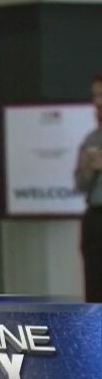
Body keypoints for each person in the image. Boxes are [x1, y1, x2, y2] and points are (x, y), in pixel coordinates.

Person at [75, 73, 102, 302]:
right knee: (94, 286)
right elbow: (80, 185)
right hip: (95, 217)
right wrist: (86, 170)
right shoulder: (91, 138)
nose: (98, 102)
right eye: (95, 96)